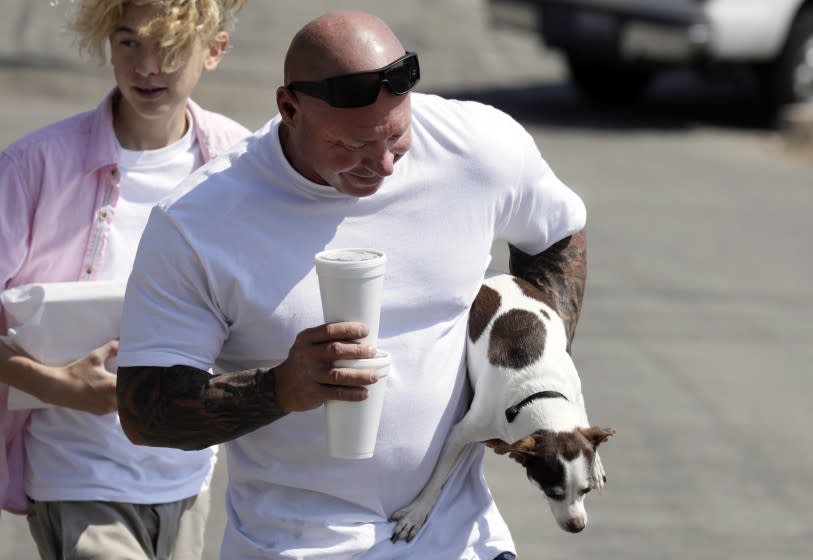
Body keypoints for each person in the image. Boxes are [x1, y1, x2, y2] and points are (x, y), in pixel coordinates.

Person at [116, 10, 587, 560]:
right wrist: (278, 389)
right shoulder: (198, 223)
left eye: (397, 136)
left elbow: (557, 233)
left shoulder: (475, 148)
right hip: (295, 545)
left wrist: (535, 362)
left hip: (460, 537)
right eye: (350, 147)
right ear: (288, 109)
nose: (383, 164)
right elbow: (145, 411)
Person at [0, 0, 250, 557]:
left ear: (213, 51)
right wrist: (56, 385)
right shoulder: (33, 166)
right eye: (128, 43)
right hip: (76, 477)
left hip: (187, 479)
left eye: (171, 45)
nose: (147, 66)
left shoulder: (240, 164)